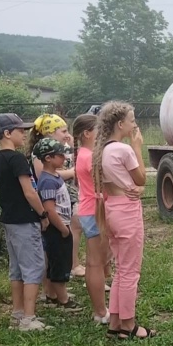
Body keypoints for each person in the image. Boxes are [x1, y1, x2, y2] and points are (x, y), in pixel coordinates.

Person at [93, 101, 155, 340]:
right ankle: (128, 326)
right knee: (130, 271)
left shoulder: (105, 150)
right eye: (131, 119)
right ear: (120, 124)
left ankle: (115, 322)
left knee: (121, 269)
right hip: (127, 212)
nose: (134, 124)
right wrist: (137, 147)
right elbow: (140, 179)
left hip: (112, 210)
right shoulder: (123, 149)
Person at [0, 113, 52, 331]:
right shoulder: (16, 159)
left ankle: (17, 314)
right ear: (7, 133)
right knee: (34, 266)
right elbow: (30, 192)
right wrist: (43, 215)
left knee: (16, 268)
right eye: (20, 130)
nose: (24, 134)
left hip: (10, 220)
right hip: (25, 220)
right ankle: (28, 317)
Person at [73, 113, 116, 325]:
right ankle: (101, 311)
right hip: (95, 211)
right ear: (87, 133)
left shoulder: (82, 153)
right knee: (96, 264)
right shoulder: (89, 157)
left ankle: (99, 310)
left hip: (88, 210)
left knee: (93, 263)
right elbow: (104, 184)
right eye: (98, 129)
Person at [33, 138, 82, 311]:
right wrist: (63, 229)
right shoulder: (47, 181)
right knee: (60, 264)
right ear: (48, 158)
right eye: (59, 155)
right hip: (57, 229)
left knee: (58, 261)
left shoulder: (54, 176)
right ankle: (63, 300)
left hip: (62, 226)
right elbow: (50, 209)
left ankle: (52, 294)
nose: (63, 158)